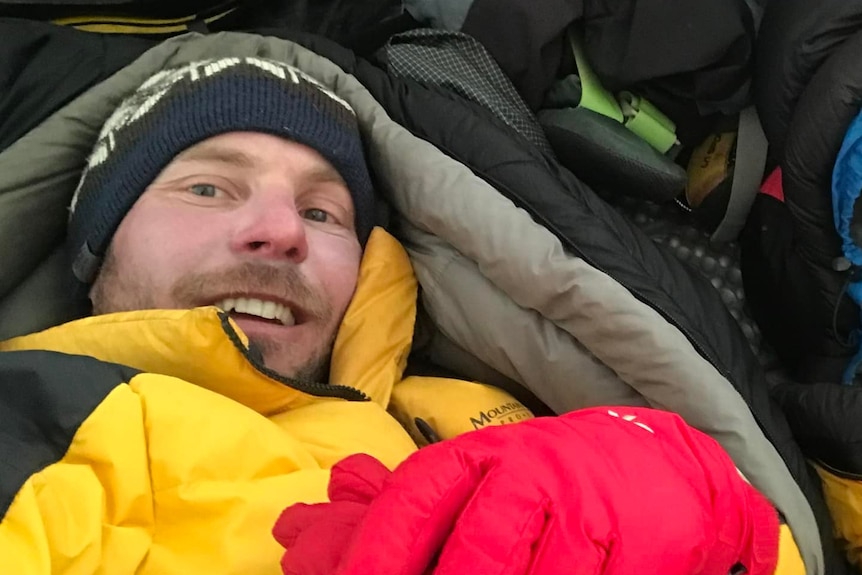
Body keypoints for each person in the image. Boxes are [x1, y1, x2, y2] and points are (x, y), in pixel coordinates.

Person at [0, 57, 789, 575]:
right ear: (95, 251)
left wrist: (669, 493)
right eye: (208, 188)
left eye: (321, 211)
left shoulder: (461, 402)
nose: (278, 231)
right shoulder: (36, 433)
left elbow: (776, 546)